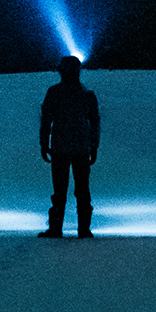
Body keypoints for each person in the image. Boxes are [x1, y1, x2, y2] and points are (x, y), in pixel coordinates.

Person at [38, 55, 100, 238]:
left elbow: (46, 121)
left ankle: (56, 228)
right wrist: (94, 145)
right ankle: (84, 229)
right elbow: (94, 122)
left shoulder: (54, 92)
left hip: (60, 148)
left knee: (60, 191)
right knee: (82, 190)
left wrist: (44, 143)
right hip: (80, 148)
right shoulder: (87, 94)